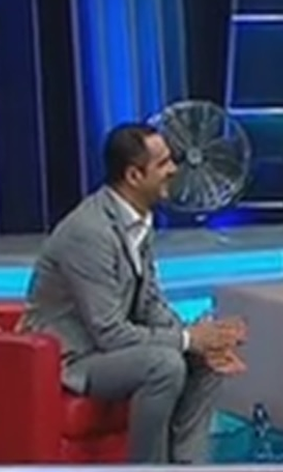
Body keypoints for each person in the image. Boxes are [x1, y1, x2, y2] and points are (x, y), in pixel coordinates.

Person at [21, 123, 249, 464]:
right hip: (75, 357)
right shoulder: (90, 233)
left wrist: (202, 340)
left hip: (110, 348)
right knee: (164, 366)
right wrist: (187, 339)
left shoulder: (138, 220)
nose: (174, 169)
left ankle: (187, 465)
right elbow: (109, 332)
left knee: (205, 359)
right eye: (163, 163)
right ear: (133, 175)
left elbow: (150, 302)